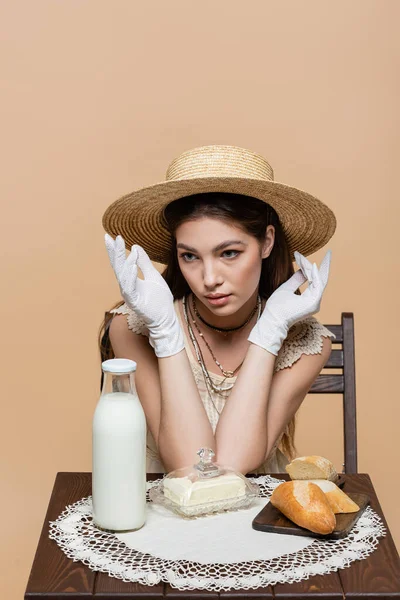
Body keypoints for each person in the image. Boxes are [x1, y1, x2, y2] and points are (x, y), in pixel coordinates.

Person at [99, 144, 336, 475]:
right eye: (190, 256)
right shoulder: (133, 328)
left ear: (266, 242)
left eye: (229, 253)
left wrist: (270, 332)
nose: (209, 279)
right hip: (158, 510)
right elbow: (190, 470)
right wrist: (166, 331)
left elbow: (232, 469)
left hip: (255, 516)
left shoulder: (307, 342)